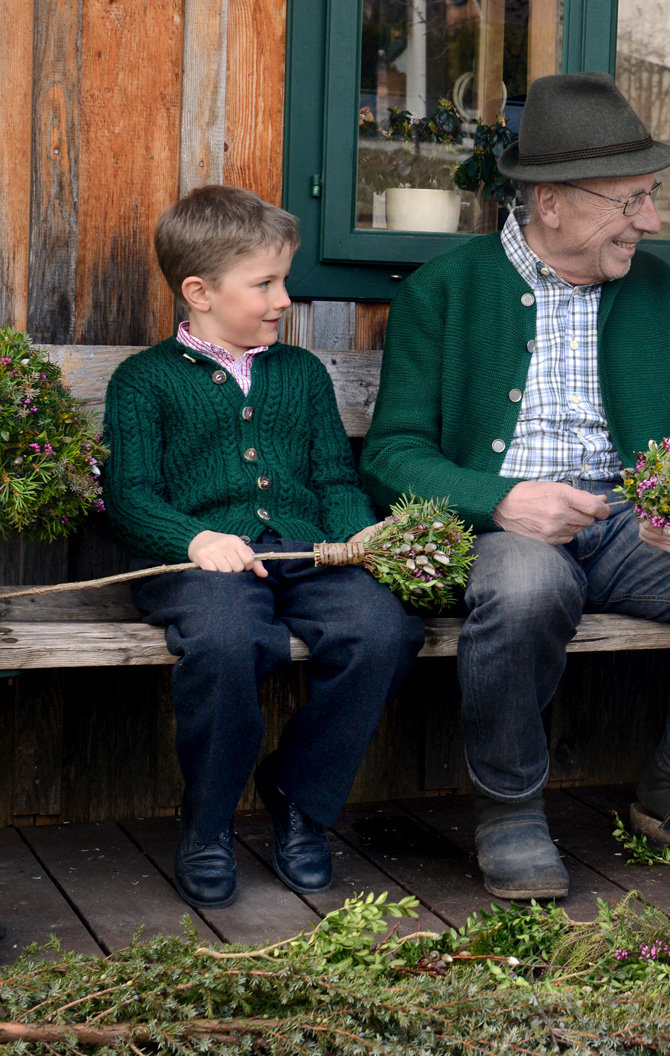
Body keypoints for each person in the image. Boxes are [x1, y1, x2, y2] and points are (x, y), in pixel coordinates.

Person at [362, 71, 670, 900]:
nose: (648, 220)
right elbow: (393, 453)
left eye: (650, 197)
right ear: (551, 202)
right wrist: (500, 499)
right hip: (508, 528)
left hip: (631, 527)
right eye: (630, 201)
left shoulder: (663, 296)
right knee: (527, 584)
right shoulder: (445, 293)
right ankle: (509, 810)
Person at [103, 185, 426, 908]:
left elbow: (333, 476)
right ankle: (209, 818)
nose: (284, 298)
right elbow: (130, 498)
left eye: (283, 279)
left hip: (307, 554)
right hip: (198, 565)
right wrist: (195, 537)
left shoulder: (301, 375)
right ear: (200, 291)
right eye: (265, 283)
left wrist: (358, 534)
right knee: (225, 638)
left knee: (384, 627)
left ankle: (301, 796)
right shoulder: (144, 382)